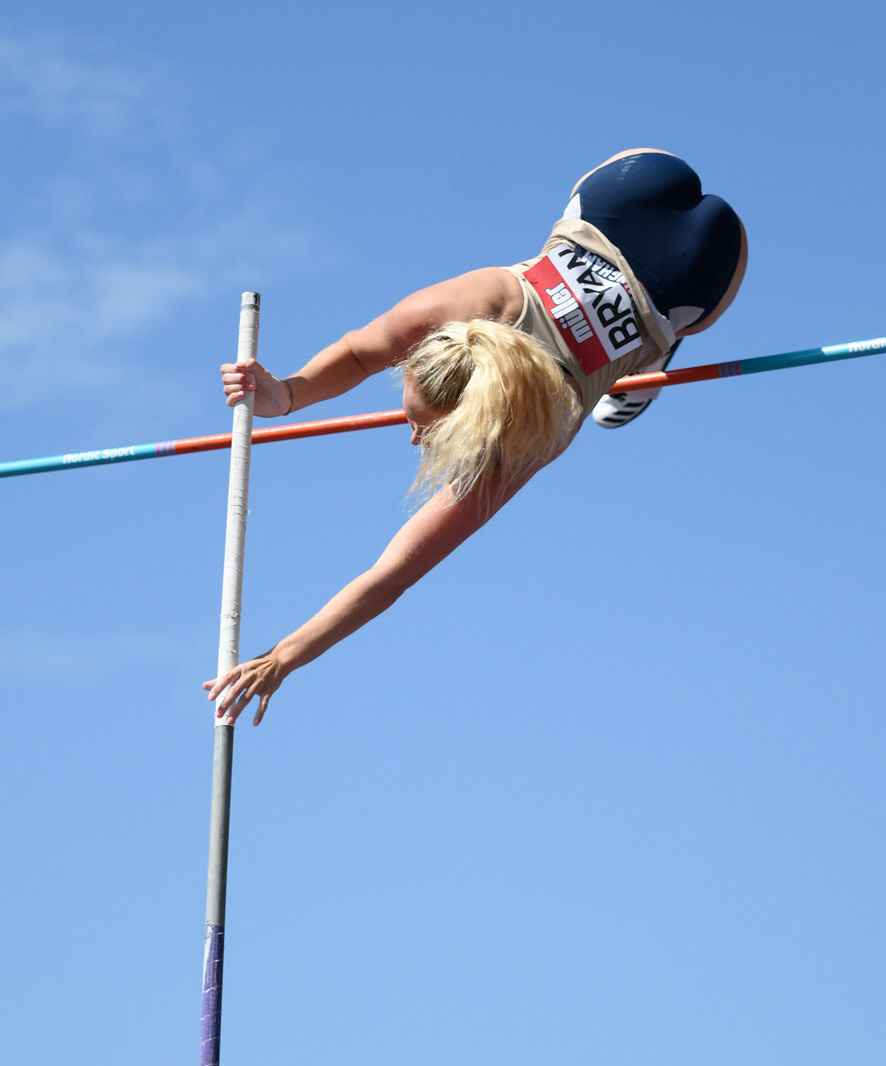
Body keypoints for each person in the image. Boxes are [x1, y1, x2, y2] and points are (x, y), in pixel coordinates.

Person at [205, 149, 747, 726]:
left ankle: (659, 347)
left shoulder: (534, 431)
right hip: (628, 190)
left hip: (690, 272)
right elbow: (364, 351)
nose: (413, 439)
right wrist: (286, 394)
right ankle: (648, 348)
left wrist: (285, 658)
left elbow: (395, 574)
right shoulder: (474, 306)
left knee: (683, 320)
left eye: (425, 428)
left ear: (477, 423)